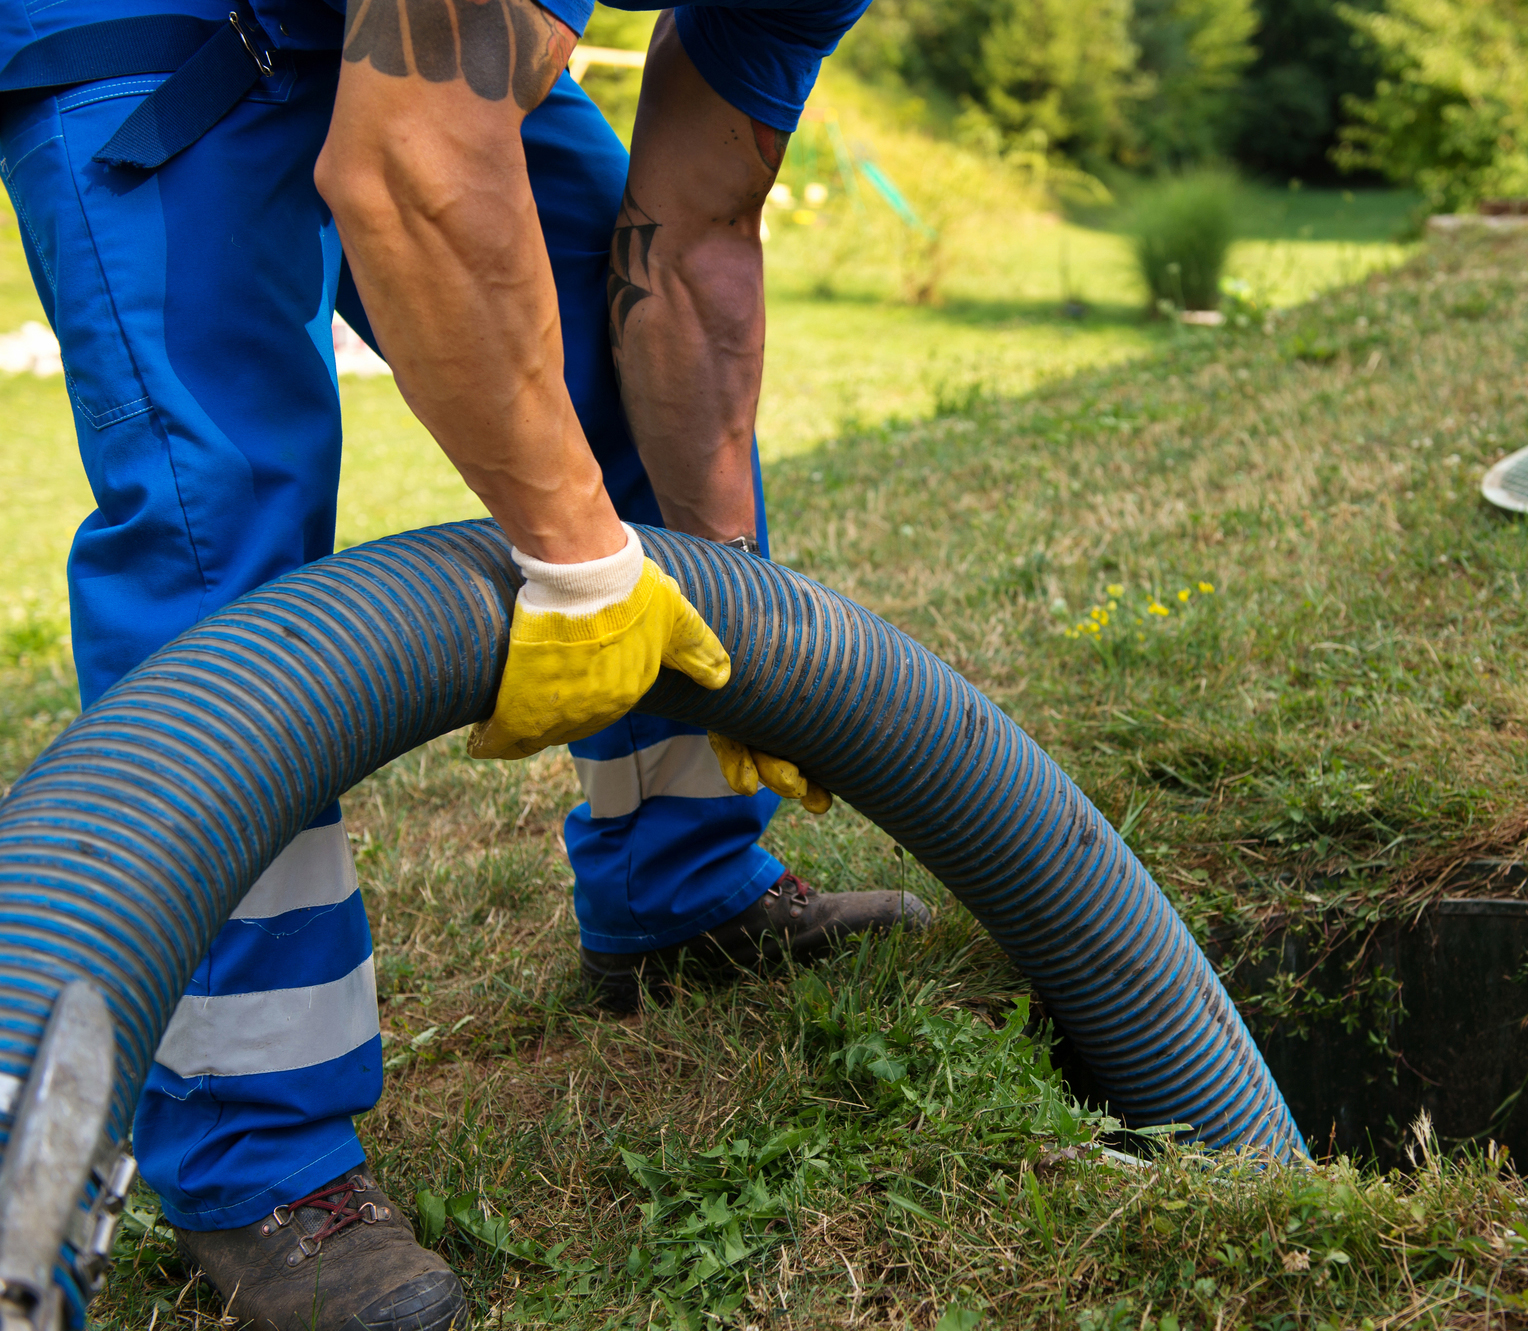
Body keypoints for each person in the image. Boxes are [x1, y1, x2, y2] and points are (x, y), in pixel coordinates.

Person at [0, 0, 925, 1324]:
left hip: (404, 31)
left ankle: (682, 882)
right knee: (223, 530)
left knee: (604, 342)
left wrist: (750, 634)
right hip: (153, 26)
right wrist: (582, 566)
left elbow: (694, 232)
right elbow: (407, 165)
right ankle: (253, 1157)